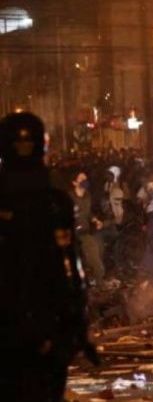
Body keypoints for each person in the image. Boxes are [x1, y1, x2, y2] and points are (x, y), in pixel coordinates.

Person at [0, 112, 97, 400]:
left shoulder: (56, 203)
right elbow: (72, 270)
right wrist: (78, 325)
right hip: (45, 326)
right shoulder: (55, 203)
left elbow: (71, 267)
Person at [70, 170, 105, 286]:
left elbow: (88, 213)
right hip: (72, 234)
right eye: (81, 179)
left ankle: (99, 283)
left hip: (84, 232)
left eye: (85, 178)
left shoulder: (87, 196)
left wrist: (95, 220)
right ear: (74, 182)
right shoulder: (69, 197)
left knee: (95, 253)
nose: (84, 181)